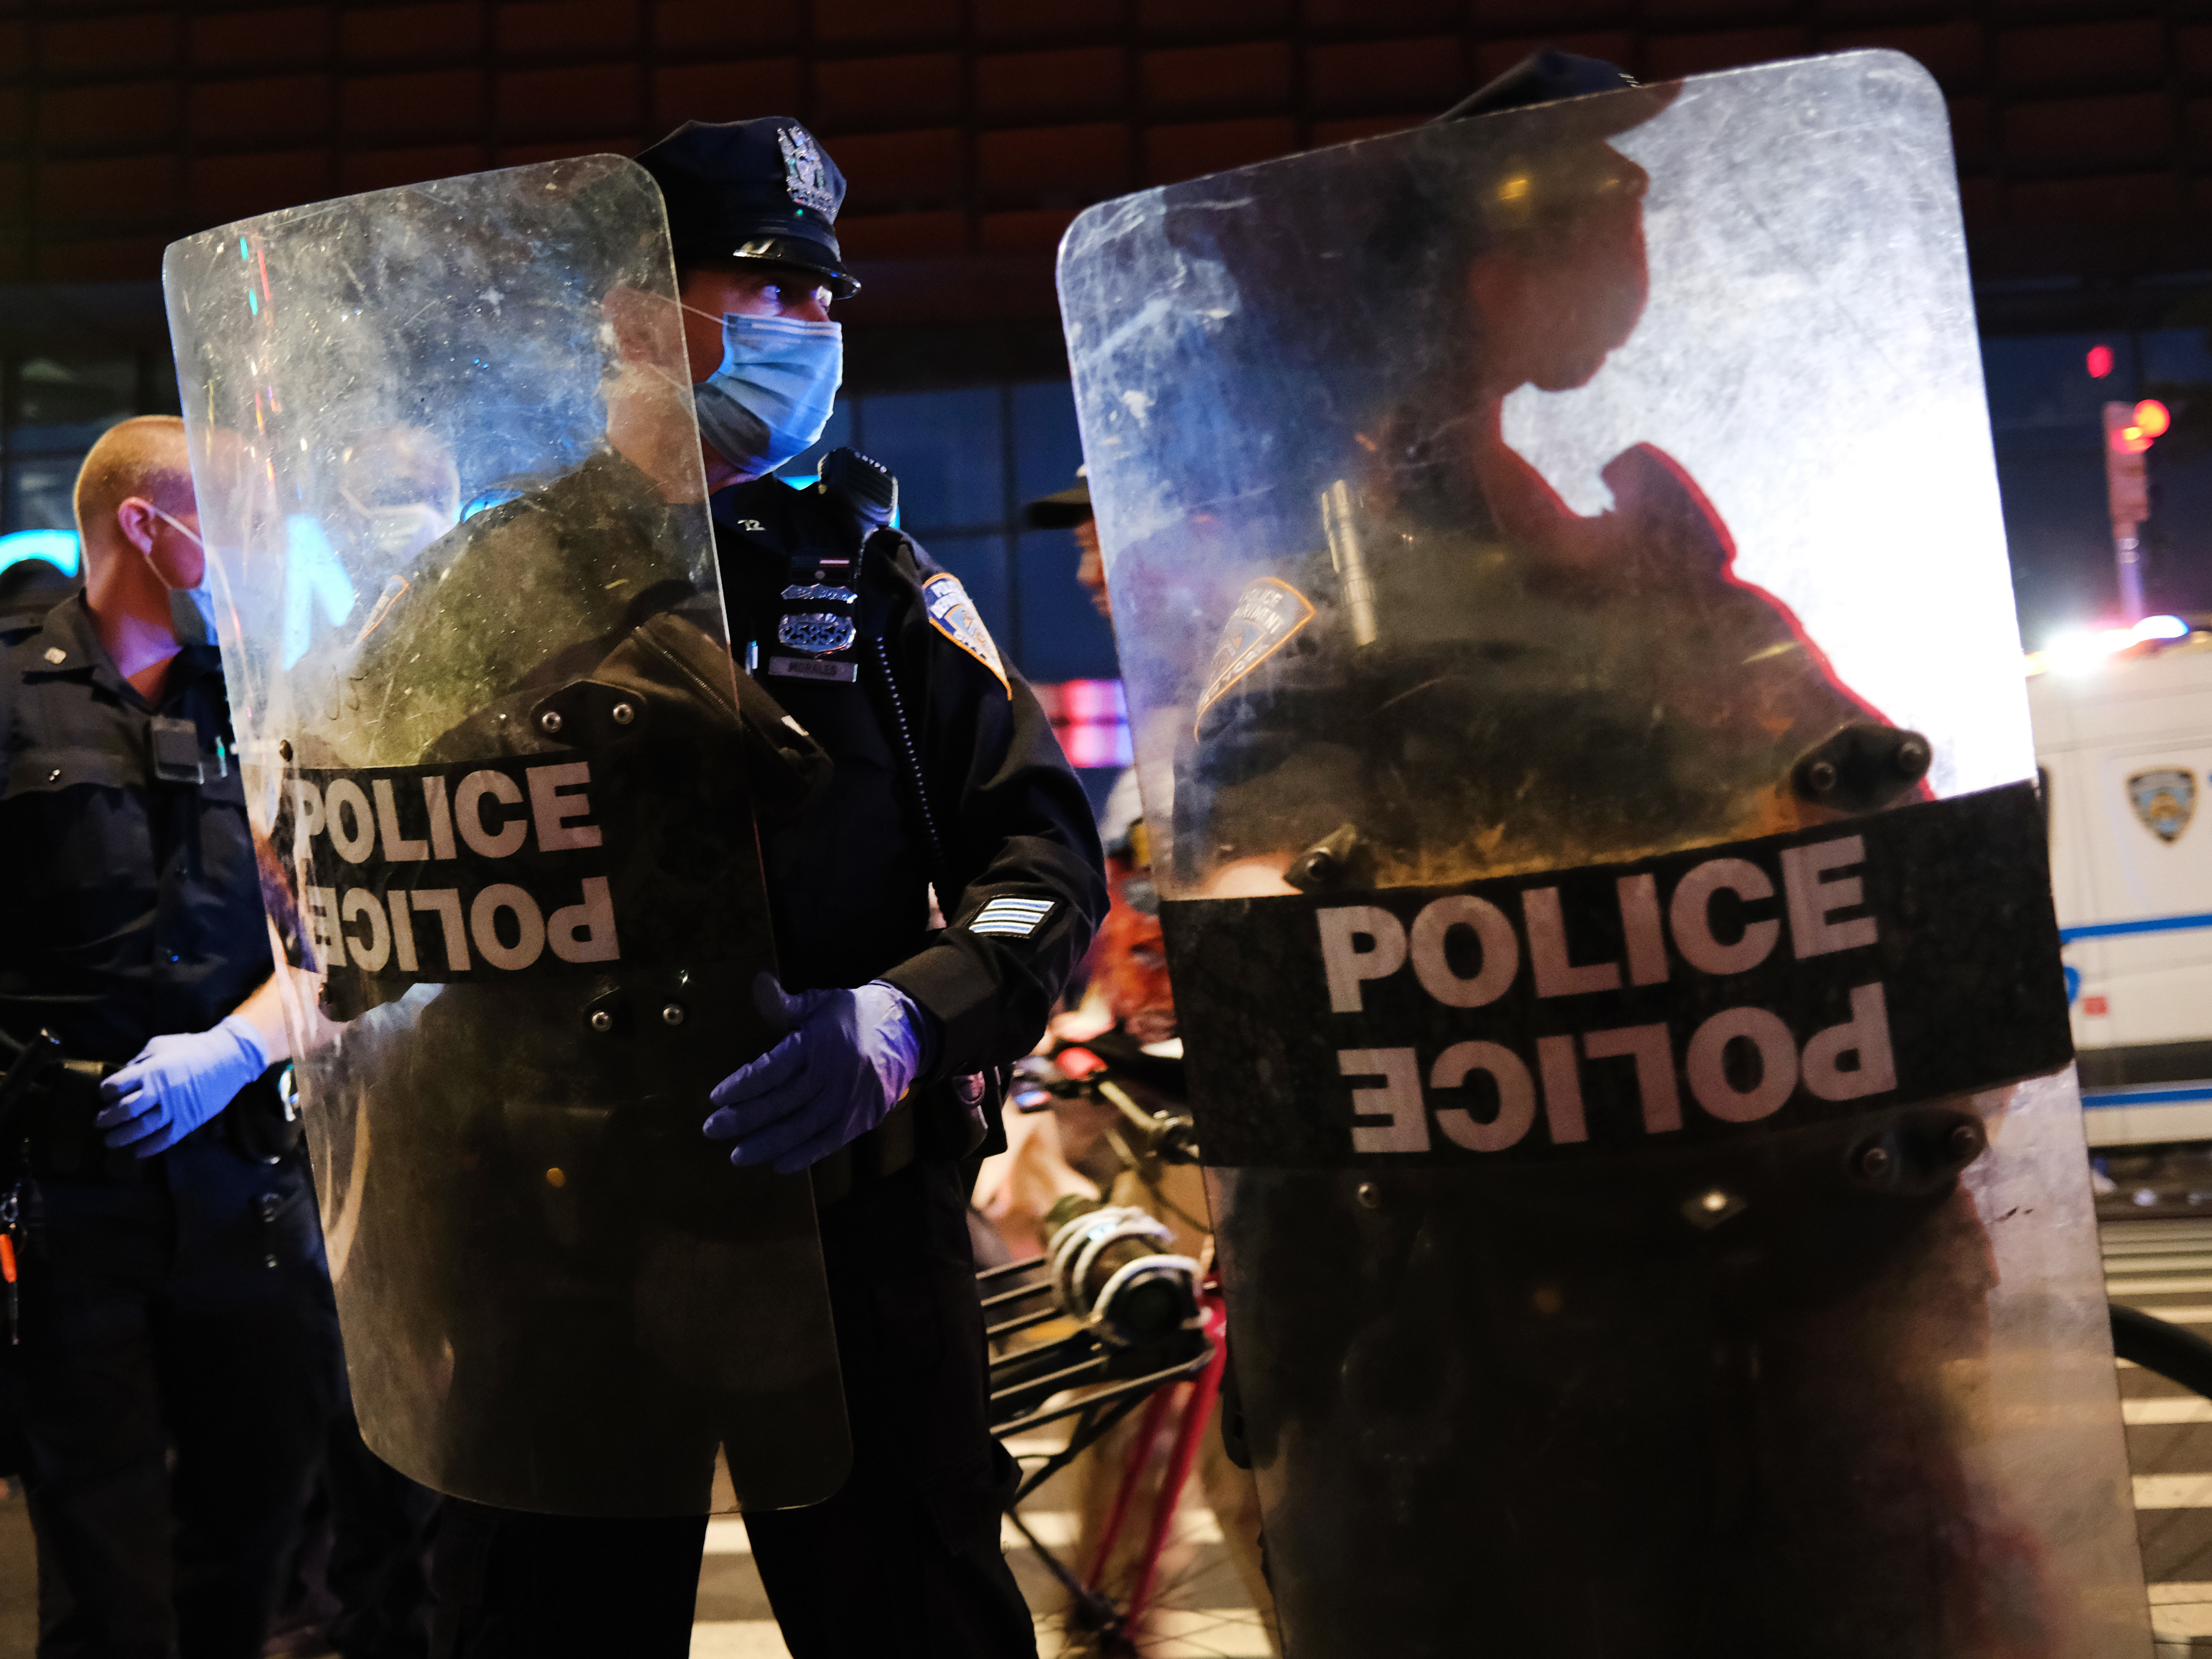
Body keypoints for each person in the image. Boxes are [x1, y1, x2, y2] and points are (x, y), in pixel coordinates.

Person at [423, 119, 1108, 1659]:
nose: (811, 327)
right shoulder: (488, 580)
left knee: (917, 1613)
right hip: (565, 1231)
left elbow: (1042, 860)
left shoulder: (869, 579)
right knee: (539, 1623)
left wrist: (909, 1021)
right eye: (770, 288)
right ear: (637, 310)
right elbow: (367, 856)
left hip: (847, 1222)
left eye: (825, 298)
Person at [0, 415, 344, 1658]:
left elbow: (342, 948)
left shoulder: (277, 708)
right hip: (64, 1197)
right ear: (146, 525)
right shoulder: (7, 696)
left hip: (245, 1188)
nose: (263, 554)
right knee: (105, 1579)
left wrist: (237, 1051)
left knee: (253, 1549)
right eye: (241, 523)